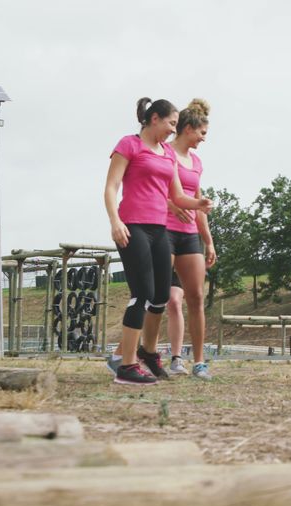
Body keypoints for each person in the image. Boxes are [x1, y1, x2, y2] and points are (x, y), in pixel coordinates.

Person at [103, 97, 211, 386]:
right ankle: (126, 366)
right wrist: (115, 221)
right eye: (171, 124)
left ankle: (148, 353)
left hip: (159, 229)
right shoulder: (129, 145)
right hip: (133, 226)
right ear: (154, 120)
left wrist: (198, 203)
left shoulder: (166, 153)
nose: (172, 130)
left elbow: (176, 196)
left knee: (161, 296)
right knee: (142, 293)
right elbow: (111, 186)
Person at [165, 99, 216, 380]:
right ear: (188, 129)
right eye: (202, 133)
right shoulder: (165, 153)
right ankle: (130, 354)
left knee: (196, 297)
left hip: (189, 237)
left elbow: (198, 205)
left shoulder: (196, 162)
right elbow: (153, 190)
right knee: (158, 296)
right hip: (164, 231)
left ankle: (199, 362)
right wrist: (172, 207)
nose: (203, 139)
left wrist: (208, 241)